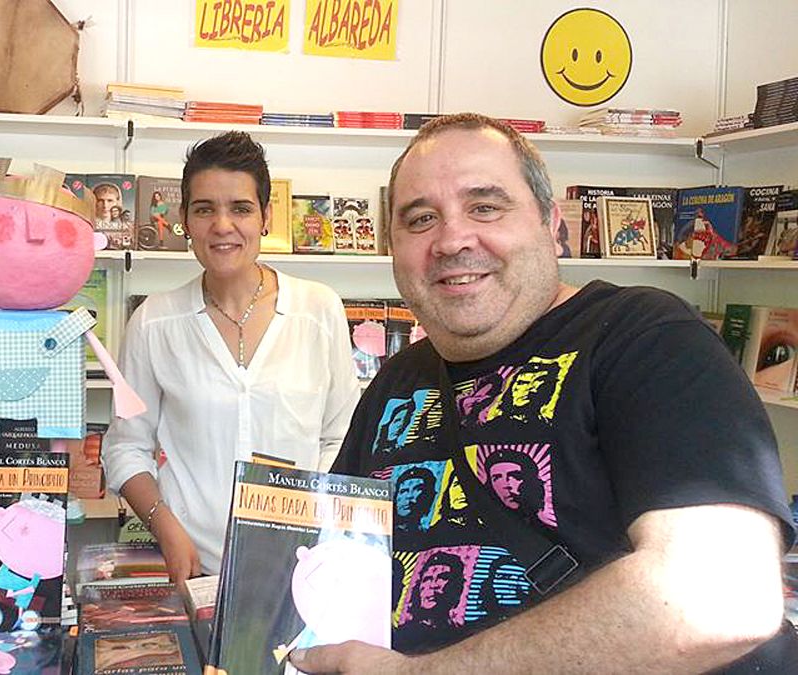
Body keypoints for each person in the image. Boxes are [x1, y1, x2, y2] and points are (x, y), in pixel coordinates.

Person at [291, 113, 794, 673]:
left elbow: (721, 599)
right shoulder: (395, 383)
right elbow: (338, 562)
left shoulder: (645, 337)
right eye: (421, 219)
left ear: (552, 225)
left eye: (485, 206)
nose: (453, 239)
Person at [102, 131, 360, 581]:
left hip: (302, 566)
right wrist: (166, 527)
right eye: (205, 209)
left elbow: (340, 437)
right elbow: (127, 447)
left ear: (266, 217)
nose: (223, 225)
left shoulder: (318, 310)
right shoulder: (153, 322)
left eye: (240, 208)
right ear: (184, 218)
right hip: (195, 569)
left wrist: (310, 522)